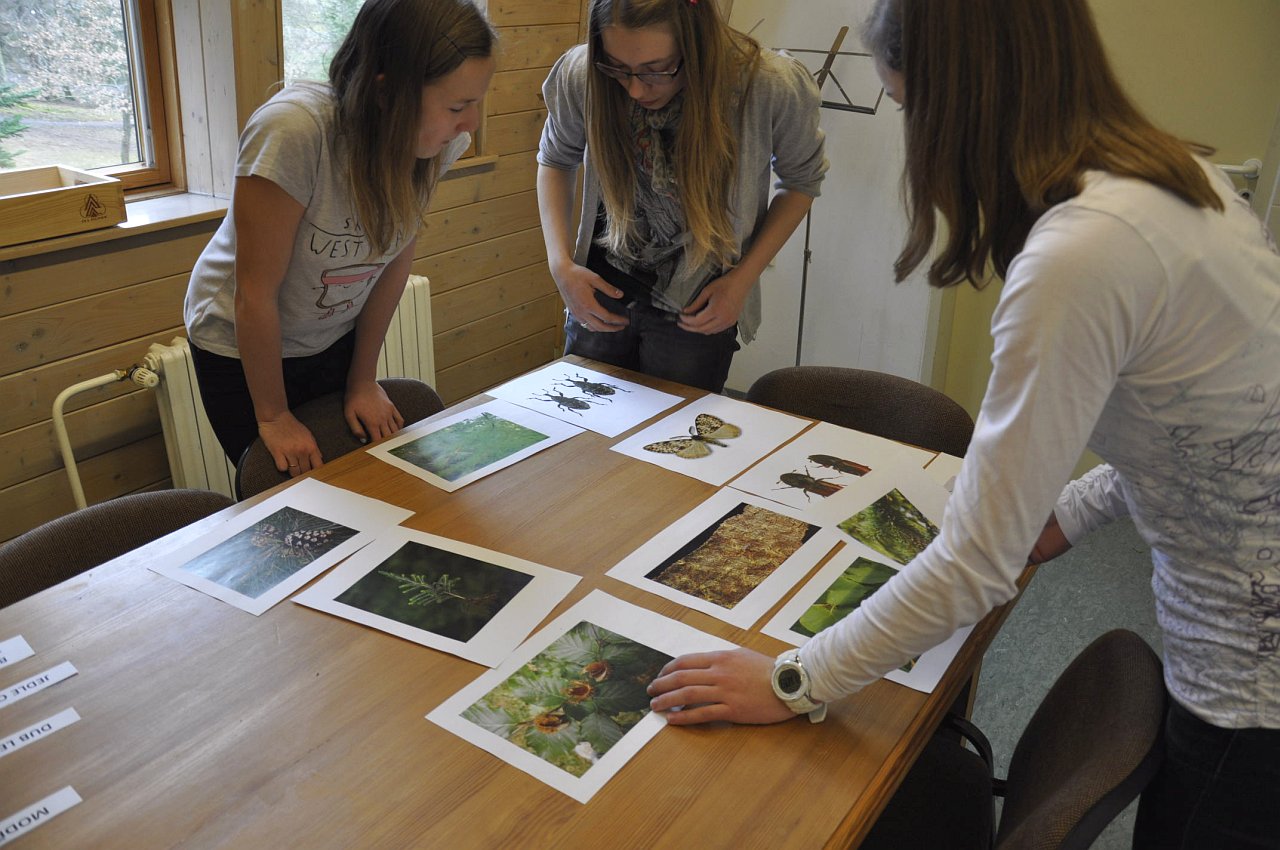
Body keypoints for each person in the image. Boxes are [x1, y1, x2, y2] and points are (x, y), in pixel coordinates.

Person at [647, 0, 1280, 845]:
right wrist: (1070, 509)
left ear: (962, 101)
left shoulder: (1080, 255)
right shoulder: (1173, 181)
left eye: (907, 105)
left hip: (1252, 675)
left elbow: (976, 565)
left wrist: (794, 681)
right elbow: (1212, 430)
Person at [184, 0, 495, 473]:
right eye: (456, 106)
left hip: (329, 333)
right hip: (241, 340)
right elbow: (255, 293)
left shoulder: (436, 142)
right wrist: (273, 415)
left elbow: (394, 259)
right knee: (289, 483)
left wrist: (363, 379)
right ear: (386, 93)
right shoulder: (293, 133)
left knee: (355, 473)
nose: (470, 123)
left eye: (475, 102)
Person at [536, 0, 828, 393]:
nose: (635, 88)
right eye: (618, 68)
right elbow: (555, 159)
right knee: (580, 423)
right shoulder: (583, 73)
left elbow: (801, 183)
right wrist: (560, 264)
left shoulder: (766, 85)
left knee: (676, 428)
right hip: (600, 291)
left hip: (698, 305)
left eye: (656, 70)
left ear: (697, 43)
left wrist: (742, 280)